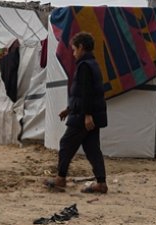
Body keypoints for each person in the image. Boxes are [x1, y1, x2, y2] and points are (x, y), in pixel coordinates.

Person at [44, 32, 108, 194]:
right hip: (86, 113)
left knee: (66, 144)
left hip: (82, 116)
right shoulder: (93, 64)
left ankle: (60, 179)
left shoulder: (84, 66)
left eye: (74, 49)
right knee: (92, 149)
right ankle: (101, 183)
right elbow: (82, 93)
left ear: (81, 47)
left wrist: (86, 115)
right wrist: (69, 109)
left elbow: (86, 93)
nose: (73, 53)